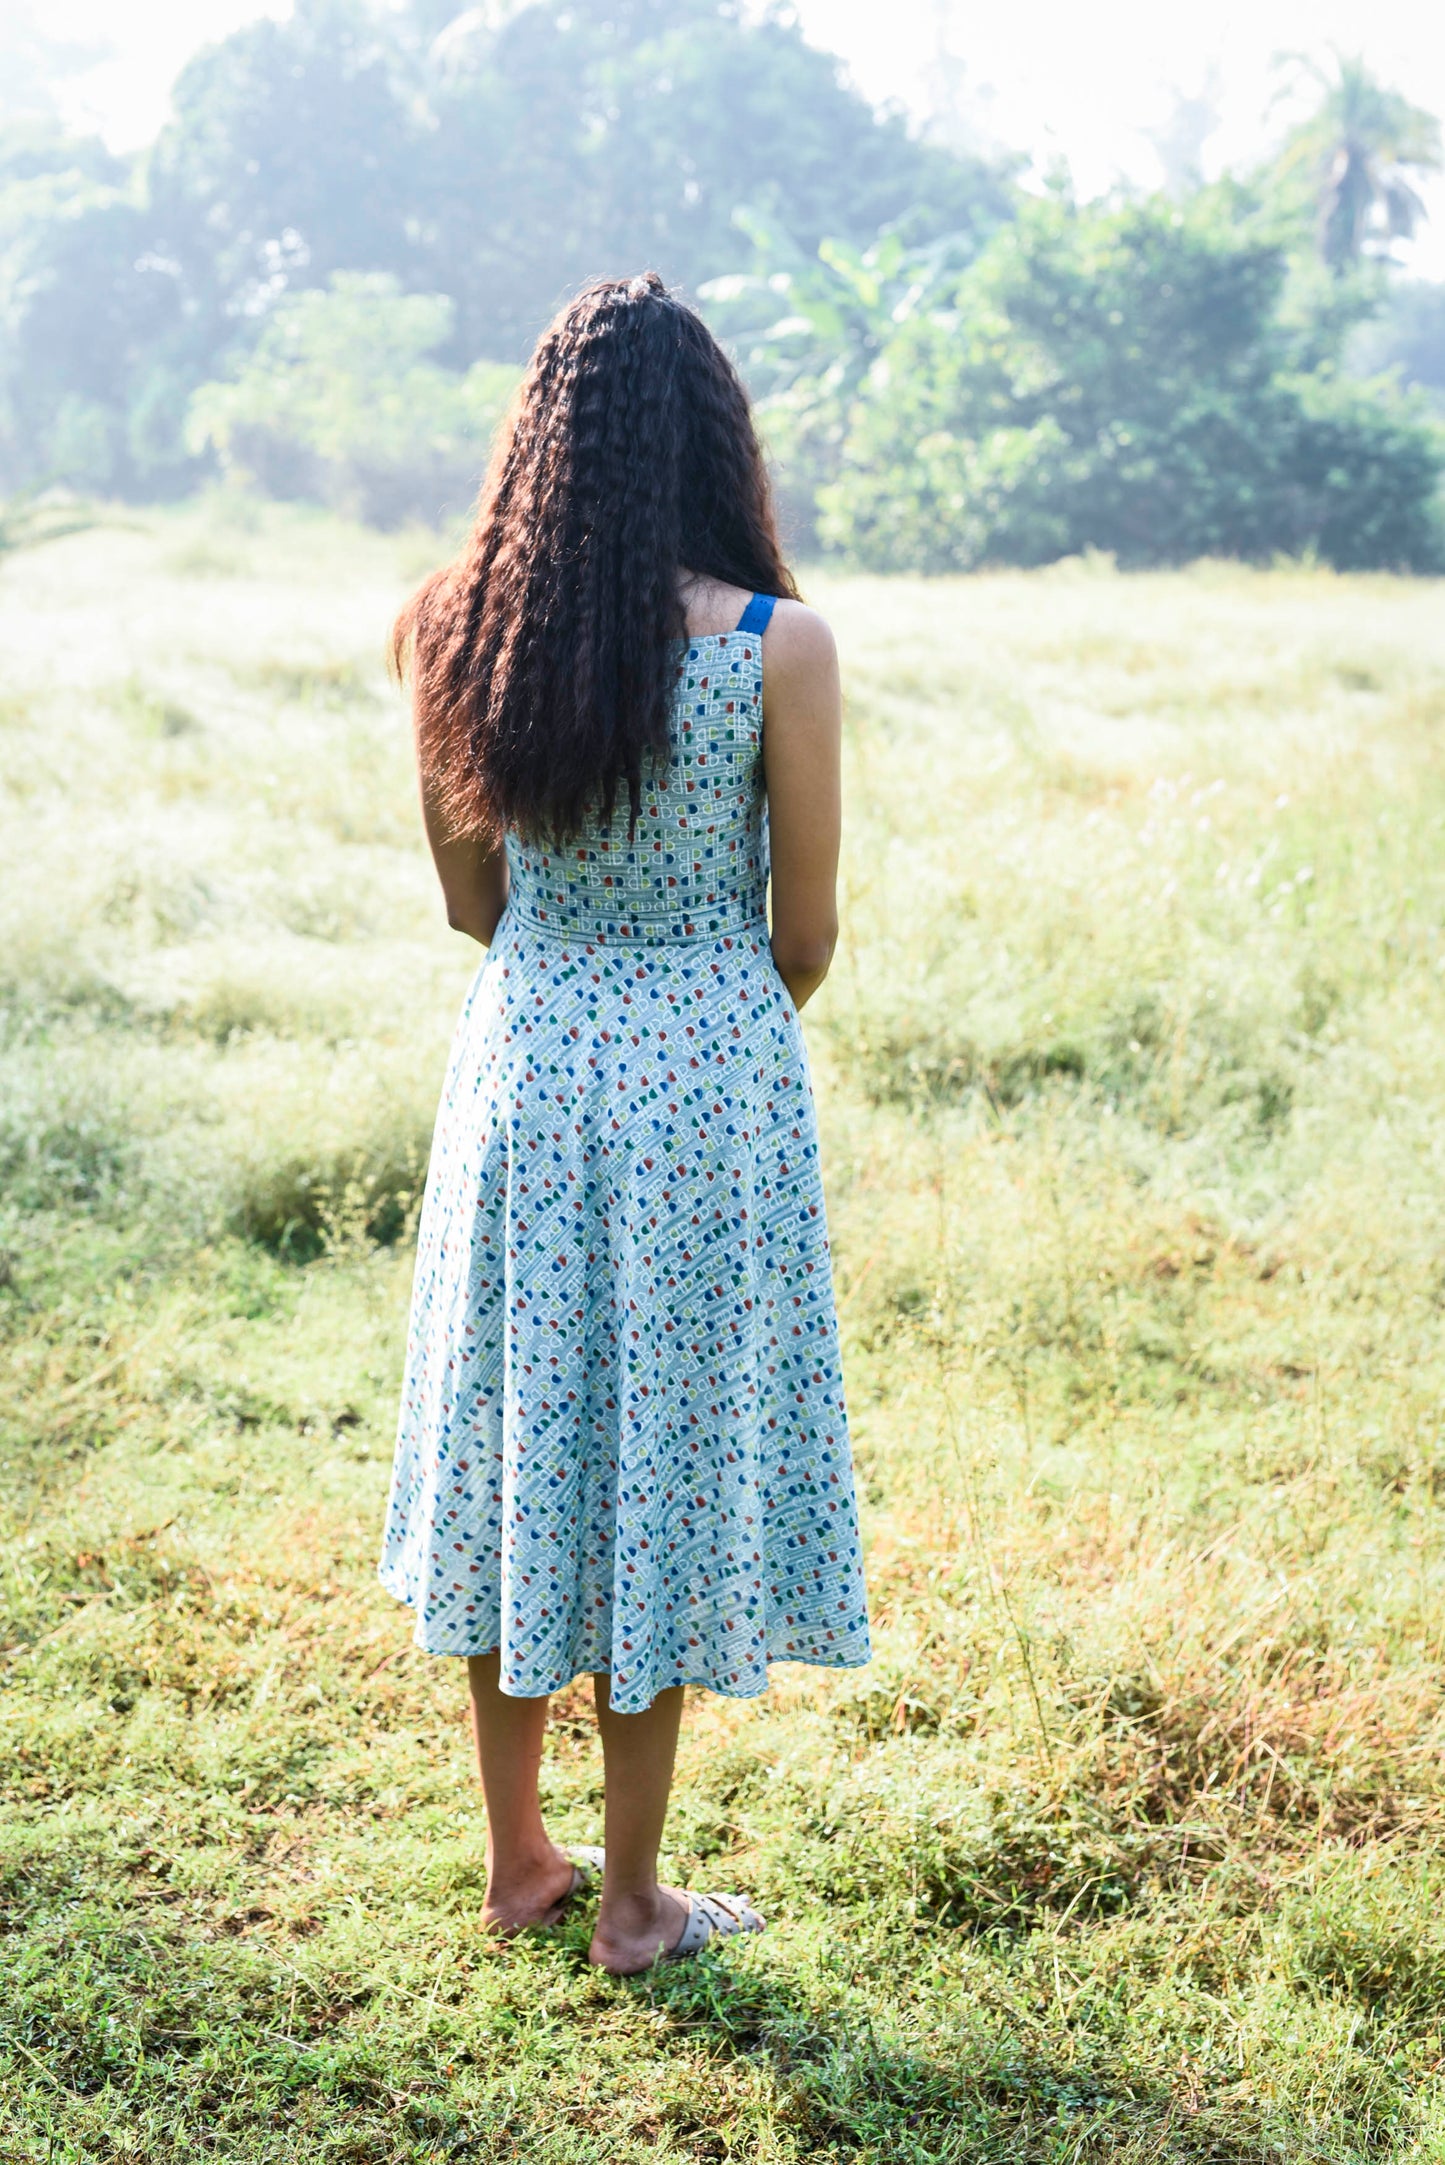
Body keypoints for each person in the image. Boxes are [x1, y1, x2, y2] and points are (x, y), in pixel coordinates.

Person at [380, 272, 870, 1974]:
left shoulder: (452, 626)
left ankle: (519, 1857)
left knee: (521, 1438)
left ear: (539, 442)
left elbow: (468, 901)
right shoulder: (772, 646)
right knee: (657, 1452)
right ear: (712, 442)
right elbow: (801, 935)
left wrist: (578, 978)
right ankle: (635, 1899)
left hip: (523, 1064)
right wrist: (696, 1019)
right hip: (704, 1082)